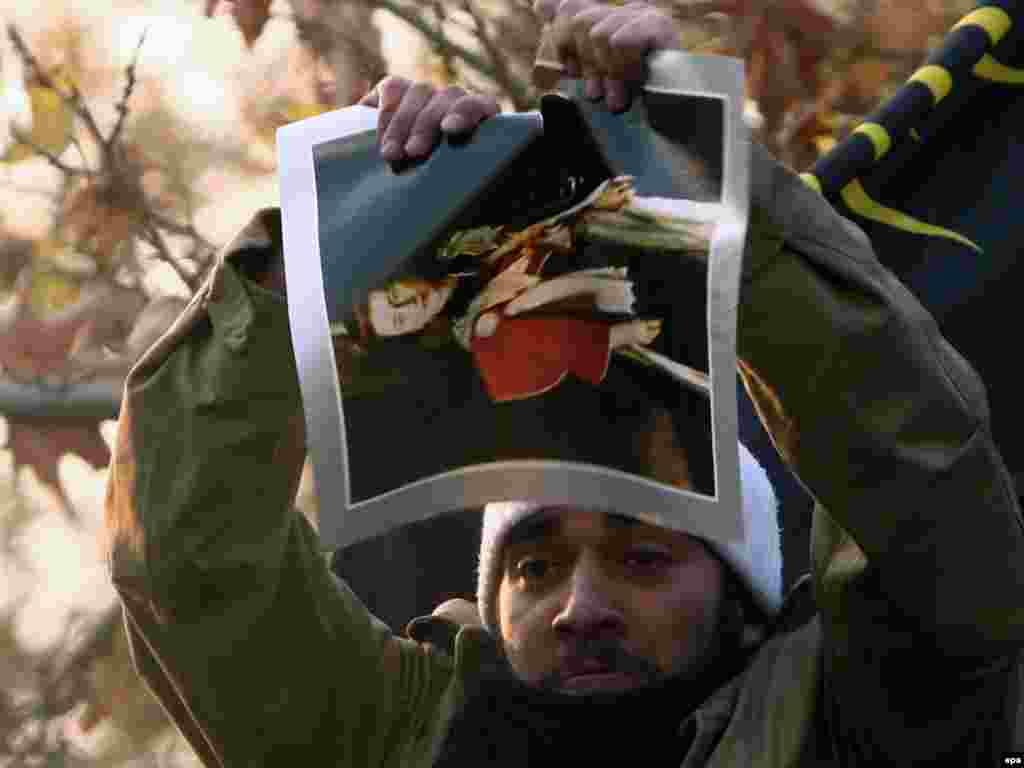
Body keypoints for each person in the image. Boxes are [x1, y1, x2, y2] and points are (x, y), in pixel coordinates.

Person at [104, 1, 1024, 765]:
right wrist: (340, 239)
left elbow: (917, 468)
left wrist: (704, 185)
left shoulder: (870, 706)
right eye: (535, 566)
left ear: (745, 599)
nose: (580, 610)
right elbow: (190, 559)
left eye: (645, 557)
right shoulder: (395, 737)